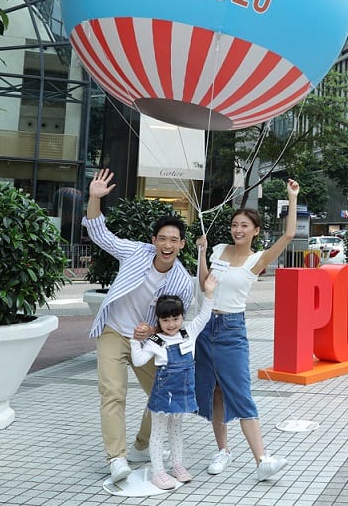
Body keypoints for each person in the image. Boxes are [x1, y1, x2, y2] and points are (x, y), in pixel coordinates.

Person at [83, 168, 195, 484]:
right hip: (114, 332)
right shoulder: (135, 252)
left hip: (147, 341)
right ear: (153, 241)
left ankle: (142, 446)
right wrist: (94, 197)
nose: (167, 244)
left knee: (161, 392)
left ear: (181, 244)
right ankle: (116, 458)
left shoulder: (182, 282)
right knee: (113, 392)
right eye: (162, 238)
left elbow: (175, 323)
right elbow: (99, 233)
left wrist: (153, 332)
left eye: (174, 239)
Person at [195, 179, 300, 481]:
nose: (237, 230)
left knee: (240, 393)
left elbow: (290, 234)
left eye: (244, 226)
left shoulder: (256, 260)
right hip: (206, 326)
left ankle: (261, 459)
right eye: (234, 225)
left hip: (231, 329)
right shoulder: (217, 249)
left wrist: (292, 197)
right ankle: (222, 450)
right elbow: (205, 285)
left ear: (255, 231)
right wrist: (201, 253)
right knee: (214, 392)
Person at [130, 247, 217, 490]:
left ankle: (177, 466)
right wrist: (134, 340)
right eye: (166, 320)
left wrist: (209, 292)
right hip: (163, 394)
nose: (171, 323)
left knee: (177, 430)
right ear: (158, 320)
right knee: (158, 433)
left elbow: (204, 314)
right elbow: (137, 361)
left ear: (181, 317)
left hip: (183, 392)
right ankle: (159, 472)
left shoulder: (189, 333)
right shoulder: (156, 341)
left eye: (175, 318)